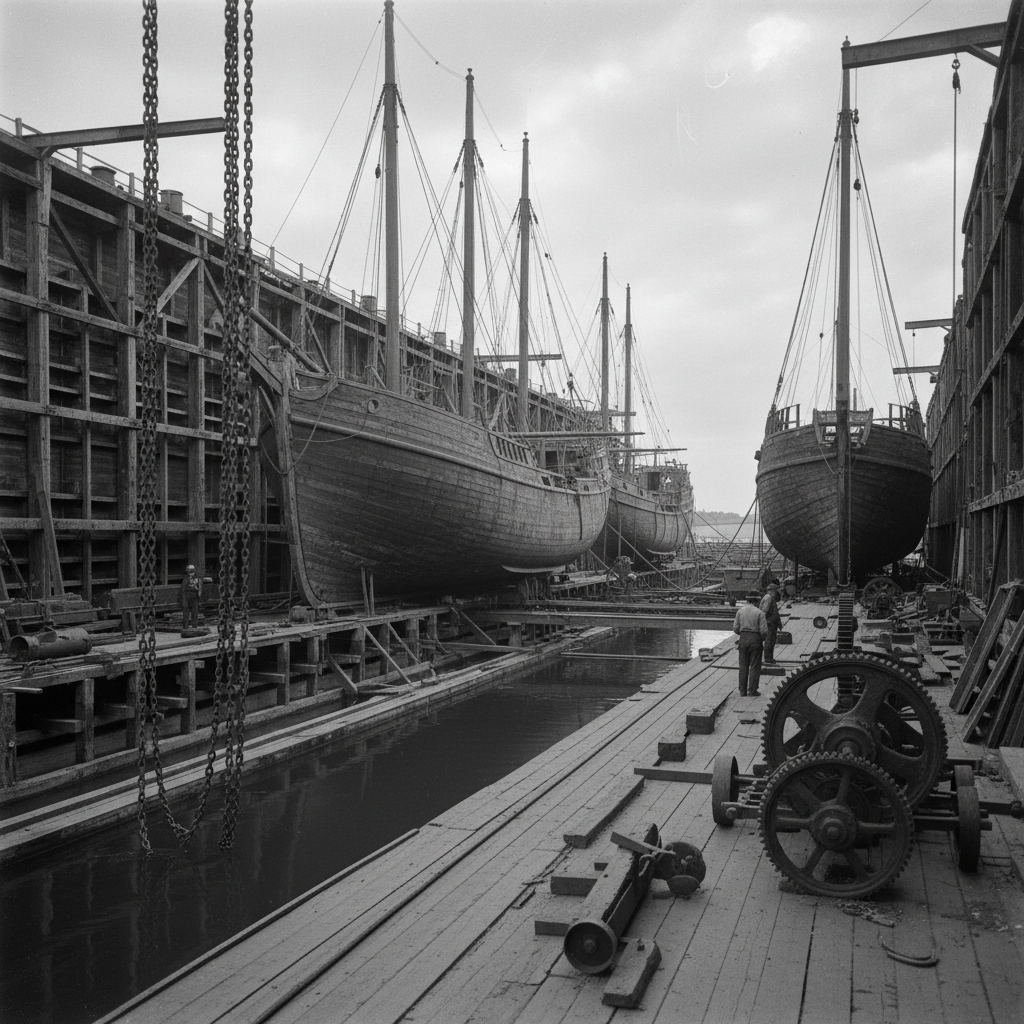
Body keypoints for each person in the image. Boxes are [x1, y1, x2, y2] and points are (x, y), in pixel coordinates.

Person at [733, 590, 768, 696]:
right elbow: (764, 631)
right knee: (755, 665)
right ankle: (752, 690)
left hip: (743, 639)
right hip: (755, 639)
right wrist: (760, 638)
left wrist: (743, 634)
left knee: (743, 665)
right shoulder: (760, 613)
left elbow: (735, 628)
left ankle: (742, 691)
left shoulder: (740, 611)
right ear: (758, 601)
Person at [760, 581, 784, 664]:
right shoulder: (768, 598)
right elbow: (764, 612)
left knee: (772, 641)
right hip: (769, 624)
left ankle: (770, 657)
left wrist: (779, 623)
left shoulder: (770, 598)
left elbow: (775, 612)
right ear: (772, 591)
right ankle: (767, 658)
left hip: (772, 624)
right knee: (769, 641)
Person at [179, 563, 203, 631]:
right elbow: (183, 589)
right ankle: (185, 626)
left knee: (194, 612)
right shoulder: (185, 579)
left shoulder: (198, 579)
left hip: (194, 596)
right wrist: (183, 599)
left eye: (192, 571)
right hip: (187, 595)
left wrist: (199, 597)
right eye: (189, 571)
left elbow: (200, 589)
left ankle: (194, 626)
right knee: (186, 612)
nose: (191, 573)